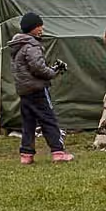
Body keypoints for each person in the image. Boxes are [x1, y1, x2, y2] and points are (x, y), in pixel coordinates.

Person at [8, 12, 73, 165]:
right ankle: (58, 152)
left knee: (28, 123)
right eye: (39, 26)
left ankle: (26, 155)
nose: (41, 29)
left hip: (24, 90)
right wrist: (53, 72)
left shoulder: (18, 46)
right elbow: (38, 68)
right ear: (32, 28)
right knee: (48, 120)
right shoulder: (32, 46)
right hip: (37, 90)